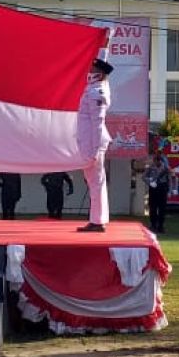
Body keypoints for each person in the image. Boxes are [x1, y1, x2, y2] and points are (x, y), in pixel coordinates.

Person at [77, 56, 114, 232]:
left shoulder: (97, 91)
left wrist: (95, 149)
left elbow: (98, 123)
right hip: (90, 142)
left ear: (98, 74)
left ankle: (97, 221)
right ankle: (98, 219)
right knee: (95, 182)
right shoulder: (94, 88)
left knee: (96, 182)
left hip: (94, 143)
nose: (89, 72)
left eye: (92, 70)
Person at [142, 153, 174, 234]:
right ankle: (153, 225)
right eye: (155, 161)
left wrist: (170, 191)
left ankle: (161, 226)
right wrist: (150, 182)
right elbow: (143, 177)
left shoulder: (166, 169)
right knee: (152, 208)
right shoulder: (150, 168)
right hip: (153, 188)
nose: (155, 163)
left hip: (162, 188)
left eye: (157, 161)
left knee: (162, 209)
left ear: (160, 161)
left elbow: (170, 180)